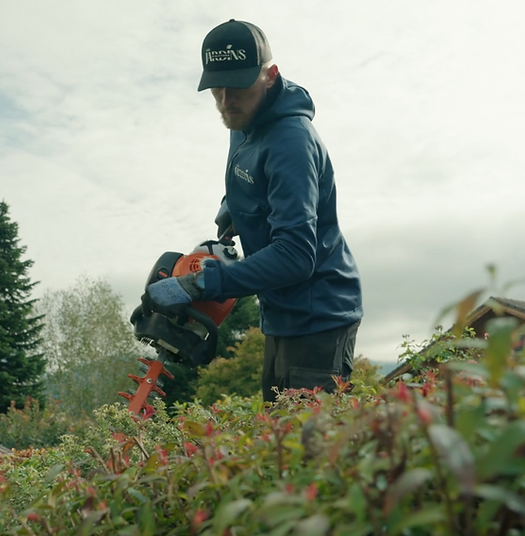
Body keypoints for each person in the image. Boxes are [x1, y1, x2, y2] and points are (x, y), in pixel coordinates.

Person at [146, 19, 363, 403]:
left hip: (320, 317)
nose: (226, 99)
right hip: (280, 312)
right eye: (217, 88)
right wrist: (233, 207)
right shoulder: (242, 119)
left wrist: (202, 284)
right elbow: (252, 175)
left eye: (238, 86)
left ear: (270, 75)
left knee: (308, 437)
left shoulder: (291, 142)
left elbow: (296, 256)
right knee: (276, 429)